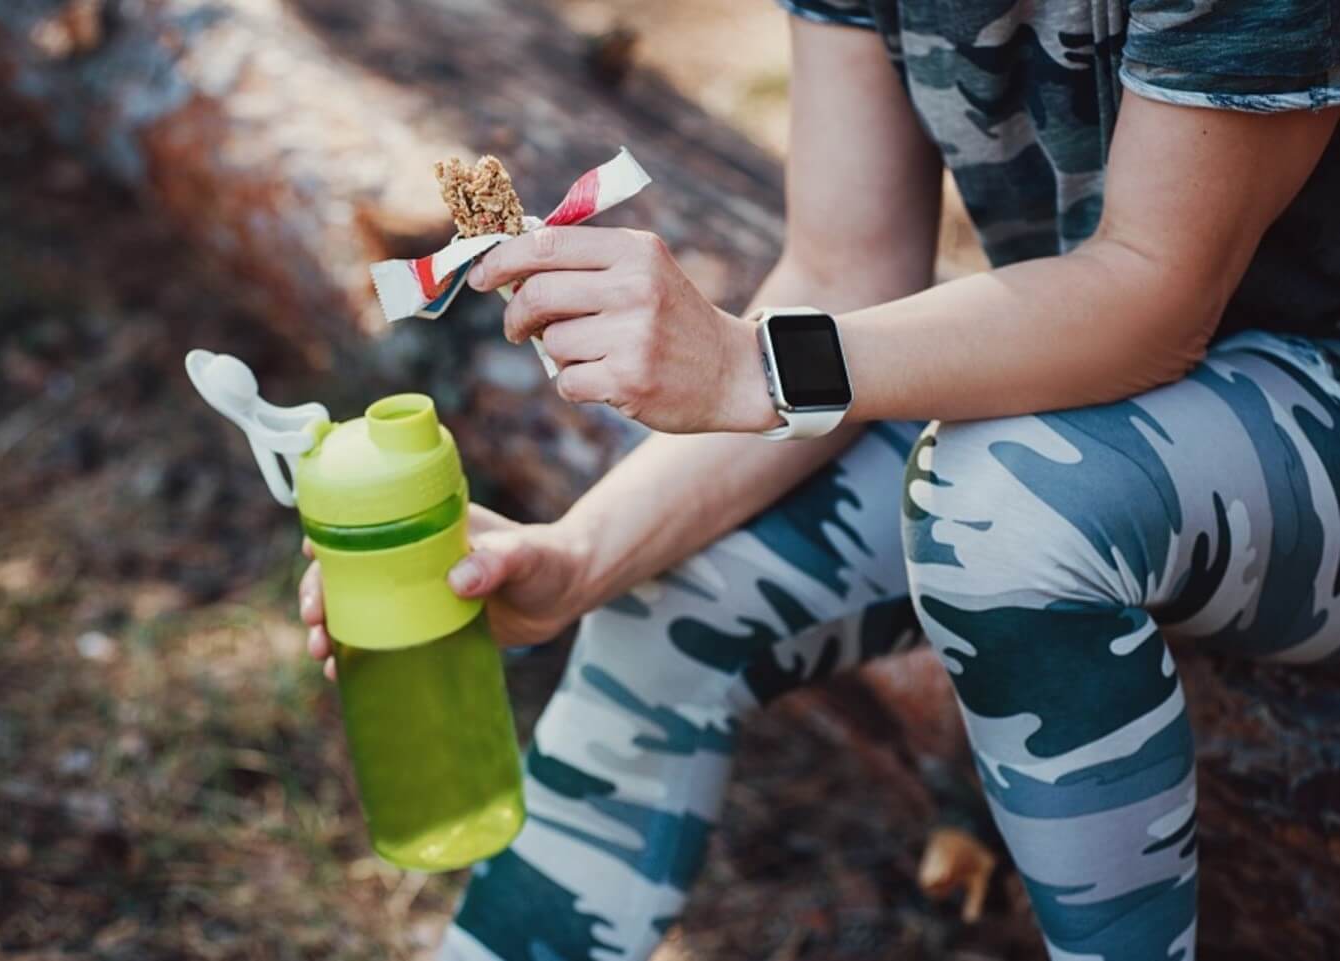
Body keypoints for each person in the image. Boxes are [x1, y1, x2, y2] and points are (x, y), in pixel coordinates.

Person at [299, 1, 1340, 957]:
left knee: (1001, 499)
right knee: (682, 572)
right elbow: (843, 272)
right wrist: (575, 559)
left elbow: (1156, 297)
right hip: (1111, 408)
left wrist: (751, 363)